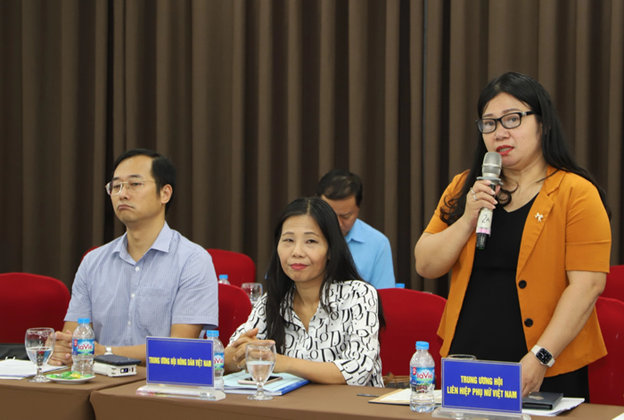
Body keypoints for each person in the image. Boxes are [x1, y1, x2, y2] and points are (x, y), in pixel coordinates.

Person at [414, 72, 611, 400]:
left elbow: (587, 286)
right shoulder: (466, 187)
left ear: (543, 123)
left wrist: (541, 357)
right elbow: (425, 264)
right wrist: (467, 219)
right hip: (469, 361)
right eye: (489, 123)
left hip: (546, 364)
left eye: (512, 119)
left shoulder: (576, 192)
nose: (500, 132)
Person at [51, 149, 218, 365]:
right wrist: (63, 350)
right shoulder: (93, 262)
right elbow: (73, 339)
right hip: (99, 380)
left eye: (134, 184)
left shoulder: (193, 261)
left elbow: (180, 348)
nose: (122, 194)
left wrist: (106, 352)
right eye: (116, 186)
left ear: (165, 193)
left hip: (160, 381)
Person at [224, 196, 384, 387]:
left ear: (331, 249)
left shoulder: (359, 295)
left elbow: (357, 372)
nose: (297, 252)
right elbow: (230, 357)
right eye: (288, 240)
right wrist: (235, 356)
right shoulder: (272, 301)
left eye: (310, 241)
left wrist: (282, 362)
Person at [316, 169, 395, 289]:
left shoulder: (377, 243)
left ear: (358, 208)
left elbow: (384, 295)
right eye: (330, 215)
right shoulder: (300, 236)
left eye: (345, 216)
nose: (337, 224)